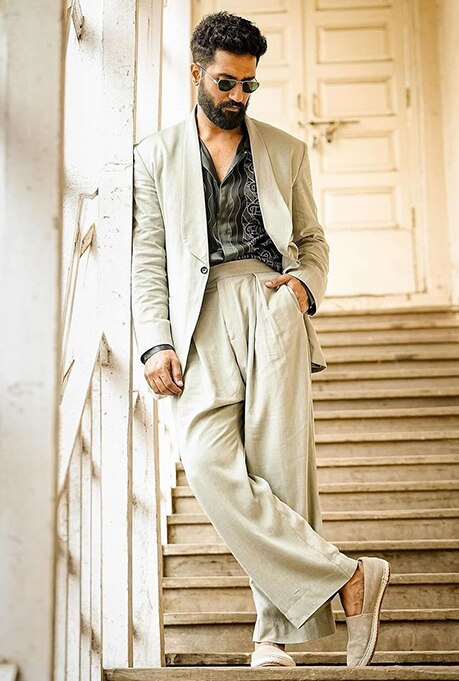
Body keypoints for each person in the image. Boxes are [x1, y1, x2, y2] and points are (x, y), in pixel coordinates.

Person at [131, 10, 390, 669]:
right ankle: (347, 576)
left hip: (271, 305)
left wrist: (303, 285)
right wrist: (155, 341)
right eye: (225, 83)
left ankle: (272, 639)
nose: (237, 96)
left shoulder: (284, 150)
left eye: (248, 84)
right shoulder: (154, 157)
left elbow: (312, 240)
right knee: (207, 462)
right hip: (198, 318)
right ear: (196, 73)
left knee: (278, 468)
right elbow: (148, 258)